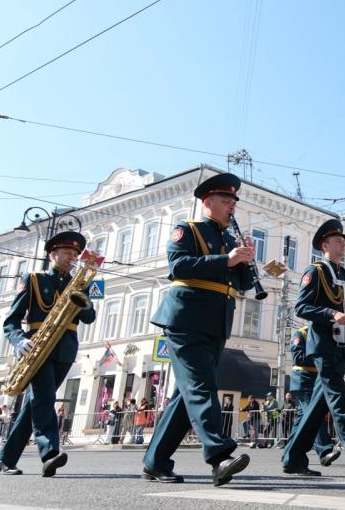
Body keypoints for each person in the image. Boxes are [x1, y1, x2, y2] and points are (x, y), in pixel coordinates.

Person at [143, 172, 253, 487]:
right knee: (202, 387)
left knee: (186, 395)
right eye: (225, 200)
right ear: (208, 202)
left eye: (233, 201)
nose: (231, 206)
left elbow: (242, 284)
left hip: (217, 322)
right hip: (186, 319)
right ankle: (219, 457)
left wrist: (245, 261)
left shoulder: (230, 239)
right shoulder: (187, 230)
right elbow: (178, 267)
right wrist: (226, 259)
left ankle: (155, 461)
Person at [281, 218, 345, 479]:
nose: (343, 242)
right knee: (339, 398)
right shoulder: (315, 271)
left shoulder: (343, 273)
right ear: (325, 245)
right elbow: (302, 307)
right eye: (338, 240)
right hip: (323, 343)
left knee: (318, 407)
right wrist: (330, 313)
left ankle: (293, 457)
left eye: (343, 239)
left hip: (342, 344)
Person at [0, 231, 96, 477]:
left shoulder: (79, 283)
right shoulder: (34, 279)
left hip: (65, 348)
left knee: (35, 404)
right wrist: (19, 342)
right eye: (67, 253)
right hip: (37, 347)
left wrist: (87, 299)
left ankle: (4, 458)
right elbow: (11, 321)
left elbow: (89, 318)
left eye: (75, 254)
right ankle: (50, 454)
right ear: (53, 255)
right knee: (45, 398)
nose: (72, 257)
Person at [286, 326, 340, 466]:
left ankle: (289, 458)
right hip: (303, 380)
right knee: (314, 416)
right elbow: (298, 357)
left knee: (300, 423)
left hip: (315, 381)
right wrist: (321, 358)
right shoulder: (301, 333)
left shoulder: (325, 334)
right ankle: (324, 450)